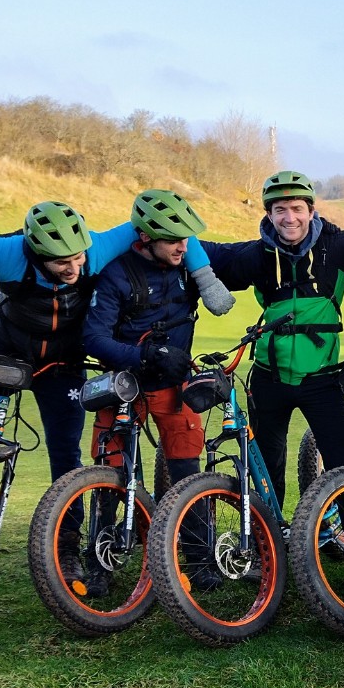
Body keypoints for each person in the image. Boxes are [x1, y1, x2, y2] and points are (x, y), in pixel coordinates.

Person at [0, 194, 235, 506]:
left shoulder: (97, 249)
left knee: (65, 452)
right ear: (35, 251)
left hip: (63, 361)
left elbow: (166, 226)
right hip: (4, 350)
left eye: (78, 258)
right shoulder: (5, 253)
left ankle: (64, 546)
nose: (73, 268)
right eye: (60, 261)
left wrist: (205, 278)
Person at [196, 171, 344, 522]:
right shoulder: (257, 255)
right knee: (267, 465)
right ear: (269, 214)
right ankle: (267, 544)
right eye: (280, 209)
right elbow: (202, 249)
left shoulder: (339, 246)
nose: (289, 217)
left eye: (297, 208)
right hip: (269, 379)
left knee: (343, 466)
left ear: (311, 211)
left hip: (323, 381)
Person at [82, 191, 219, 503]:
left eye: (185, 239)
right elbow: (94, 337)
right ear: (145, 236)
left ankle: (195, 550)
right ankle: (103, 546)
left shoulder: (187, 264)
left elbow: (242, 259)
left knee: (188, 475)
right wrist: (145, 356)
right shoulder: (115, 273)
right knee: (112, 475)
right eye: (173, 240)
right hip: (124, 385)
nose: (184, 247)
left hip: (175, 386)